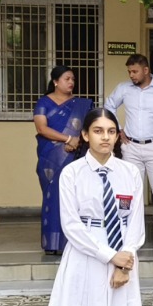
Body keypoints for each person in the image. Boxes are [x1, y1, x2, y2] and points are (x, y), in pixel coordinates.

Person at [41, 108, 145, 306]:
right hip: (87, 258)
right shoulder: (72, 174)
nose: (105, 137)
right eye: (98, 131)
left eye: (111, 131)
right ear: (85, 135)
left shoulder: (129, 172)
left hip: (122, 258)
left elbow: (135, 223)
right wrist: (110, 257)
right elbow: (72, 226)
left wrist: (124, 260)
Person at [34, 66, 94, 254]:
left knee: (73, 198)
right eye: (67, 79)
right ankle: (52, 244)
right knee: (52, 197)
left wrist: (77, 142)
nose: (71, 82)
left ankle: (71, 242)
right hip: (50, 158)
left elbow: (89, 129)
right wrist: (68, 139)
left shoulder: (81, 104)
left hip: (76, 155)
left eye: (73, 79)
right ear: (55, 82)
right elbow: (41, 128)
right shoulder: (44, 102)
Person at [105, 54, 153, 199]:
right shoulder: (123, 88)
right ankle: (133, 216)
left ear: (146, 70)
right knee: (130, 190)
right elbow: (109, 106)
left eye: (135, 71)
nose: (131, 75)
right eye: (129, 72)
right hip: (131, 146)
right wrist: (118, 129)